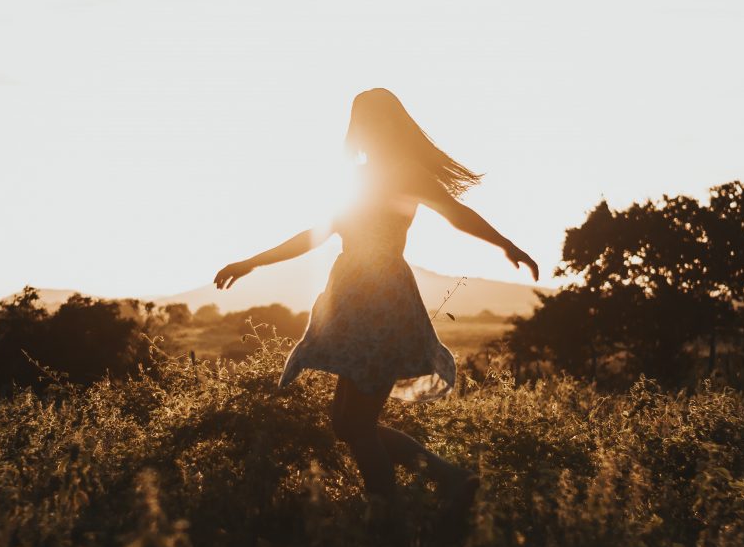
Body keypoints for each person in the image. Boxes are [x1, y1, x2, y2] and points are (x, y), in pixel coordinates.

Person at [214, 88, 538, 524]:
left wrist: (507, 245)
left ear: (392, 124)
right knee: (346, 424)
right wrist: (253, 261)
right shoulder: (358, 177)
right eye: (361, 122)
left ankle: (392, 517)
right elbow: (318, 232)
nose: (365, 130)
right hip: (351, 304)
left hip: (383, 304)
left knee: (359, 424)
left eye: (374, 121)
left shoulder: (407, 172)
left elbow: (456, 215)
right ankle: (448, 479)